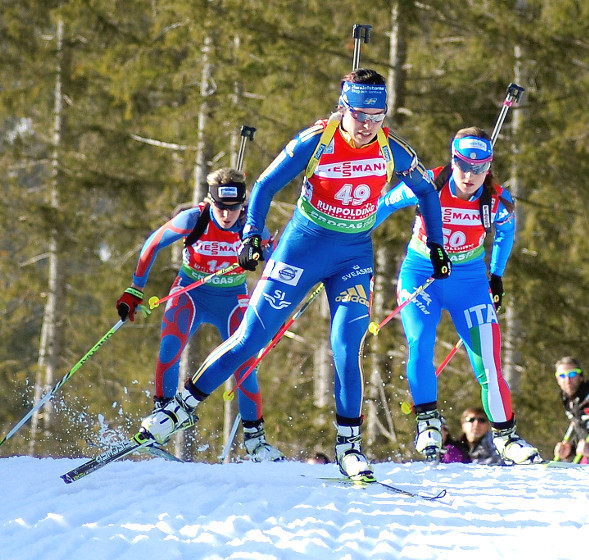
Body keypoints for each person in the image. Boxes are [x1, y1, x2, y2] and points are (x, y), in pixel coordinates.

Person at [135, 68, 451, 481]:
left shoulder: (395, 150)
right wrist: (250, 236)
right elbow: (265, 185)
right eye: (360, 115)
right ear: (344, 108)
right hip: (302, 247)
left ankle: (349, 447)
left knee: (345, 346)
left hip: (353, 255)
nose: (368, 125)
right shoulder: (316, 139)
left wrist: (437, 244)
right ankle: (181, 408)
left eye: (377, 116)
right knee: (252, 336)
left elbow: (427, 192)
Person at [375, 126, 540, 464]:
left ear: (489, 167)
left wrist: (496, 276)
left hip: (470, 282)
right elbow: (383, 205)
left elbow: (506, 235)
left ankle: (506, 437)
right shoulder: (429, 184)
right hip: (422, 274)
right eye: (463, 165)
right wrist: (348, 238)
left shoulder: (497, 201)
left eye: (479, 168)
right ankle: (427, 423)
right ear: (453, 160)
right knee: (421, 342)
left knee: (489, 363)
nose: (469, 175)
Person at [115, 167, 284, 461]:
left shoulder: (250, 226)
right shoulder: (194, 219)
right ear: (210, 202)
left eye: (234, 208)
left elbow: (280, 263)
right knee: (169, 350)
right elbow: (152, 243)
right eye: (221, 207)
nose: (227, 215)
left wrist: (265, 255)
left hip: (232, 298)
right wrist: (135, 290)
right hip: (191, 292)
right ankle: (162, 420)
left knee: (245, 365)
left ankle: (256, 441)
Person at [552, 356, 589, 464]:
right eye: (562, 375)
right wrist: (570, 451)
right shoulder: (567, 400)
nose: (567, 380)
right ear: (557, 380)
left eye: (572, 374)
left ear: (580, 376)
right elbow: (582, 434)